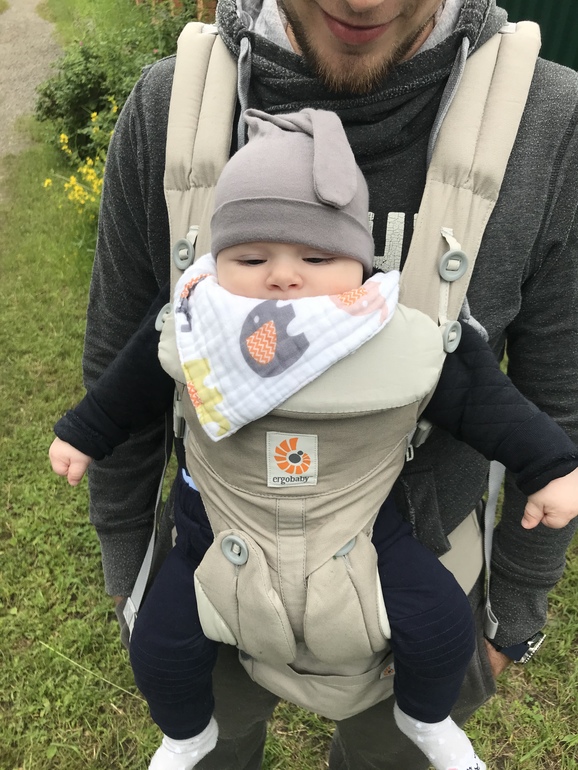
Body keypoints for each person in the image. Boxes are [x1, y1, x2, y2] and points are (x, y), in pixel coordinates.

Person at [78, 0, 578, 767]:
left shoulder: (547, 120)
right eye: (257, 260)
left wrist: (513, 610)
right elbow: (127, 360)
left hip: (412, 566)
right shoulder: (172, 107)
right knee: (210, 743)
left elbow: (556, 394)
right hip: (215, 555)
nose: (364, 3)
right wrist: (131, 572)